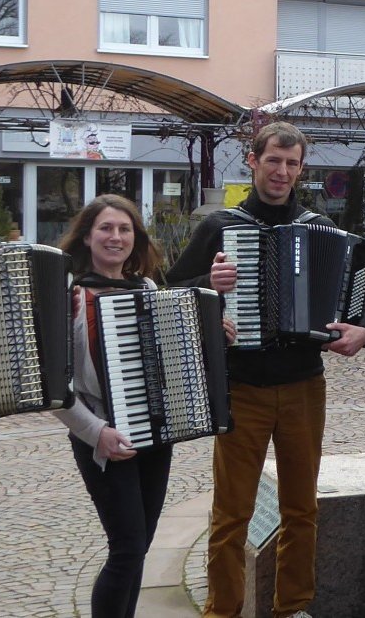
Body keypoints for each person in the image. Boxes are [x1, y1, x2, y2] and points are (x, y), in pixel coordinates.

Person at [167, 121, 365, 618]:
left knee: (302, 508)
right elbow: (173, 291)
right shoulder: (221, 226)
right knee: (231, 512)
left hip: (305, 384)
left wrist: (361, 329)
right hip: (243, 386)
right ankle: (223, 610)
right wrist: (207, 283)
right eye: (273, 161)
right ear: (254, 162)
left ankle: (292, 608)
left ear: (301, 169)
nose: (281, 171)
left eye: (291, 163)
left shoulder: (320, 227)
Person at [54, 195, 236, 618]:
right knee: (127, 546)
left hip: (153, 432)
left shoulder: (149, 288)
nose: (115, 237)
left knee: (140, 546)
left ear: (135, 239)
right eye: (106, 228)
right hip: (102, 433)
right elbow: (56, 389)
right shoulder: (70, 296)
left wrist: (213, 335)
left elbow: (169, 362)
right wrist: (95, 432)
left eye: (124, 229)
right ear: (87, 235)